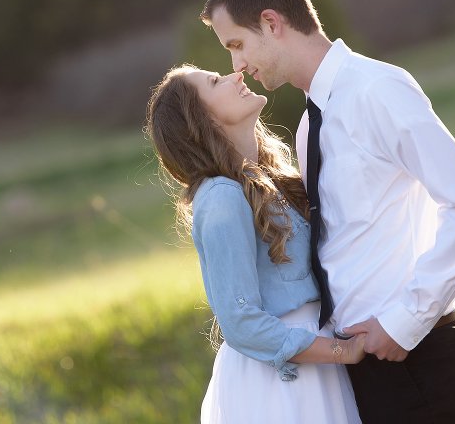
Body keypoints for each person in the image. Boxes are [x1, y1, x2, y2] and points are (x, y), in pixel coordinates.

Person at [200, 0, 455, 424]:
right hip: (362, 371)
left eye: (236, 45)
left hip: (415, 358)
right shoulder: (308, 125)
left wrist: (405, 320)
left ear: (271, 23)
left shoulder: (377, 90)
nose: (237, 65)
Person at [146, 64, 363, 423]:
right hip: (283, 383)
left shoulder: (267, 179)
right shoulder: (221, 197)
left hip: (316, 363)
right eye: (216, 82)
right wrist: (343, 351)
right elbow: (239, 321)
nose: (236, 77)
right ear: (203, 120)